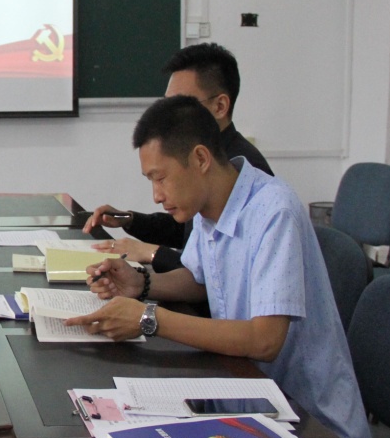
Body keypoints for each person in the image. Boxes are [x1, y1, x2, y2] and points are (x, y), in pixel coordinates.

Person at [66, 95, 373, 438]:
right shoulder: (208, 204)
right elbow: (201, 281)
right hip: (250, 392)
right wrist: (142, 283)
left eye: (160, 178)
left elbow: (265, 341)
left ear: (200, 159)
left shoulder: (274, 212)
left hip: (312, 426)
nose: (157, 196)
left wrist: (148, 319)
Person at [83, 42, 271, 273]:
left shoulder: (243, 173)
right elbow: (185, 231)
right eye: (166, 104)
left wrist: (149, 252)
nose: (168, 114)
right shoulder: (205, 158)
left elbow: (214, 274)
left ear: (220, 106)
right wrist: (130, 220)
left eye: (181, 104)